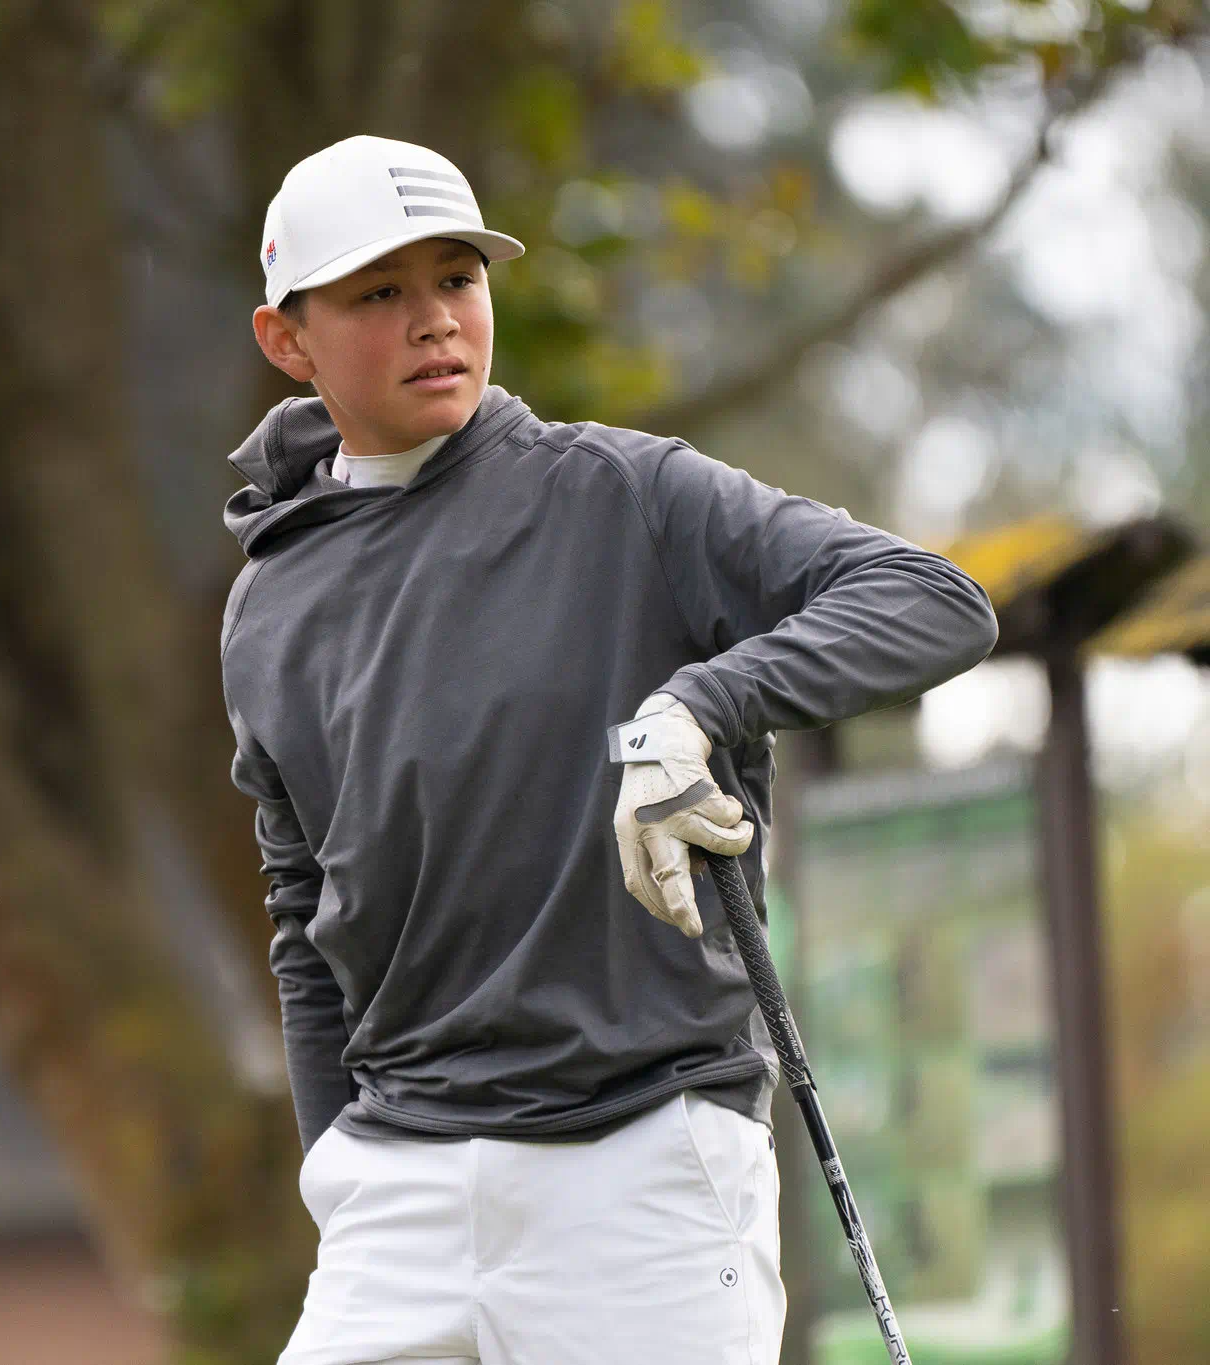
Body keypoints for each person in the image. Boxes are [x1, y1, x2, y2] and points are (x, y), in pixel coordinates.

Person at [221, 135, 998, 1365]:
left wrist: (703, 702)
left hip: (638, 1172)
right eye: (379, 293)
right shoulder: (269, 600)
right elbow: (304, 908)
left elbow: (931, 601)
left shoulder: (621, 493)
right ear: (287, 340)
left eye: (456, 279)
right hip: (393, 1191)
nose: (433, 319)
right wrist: (332, 1172)